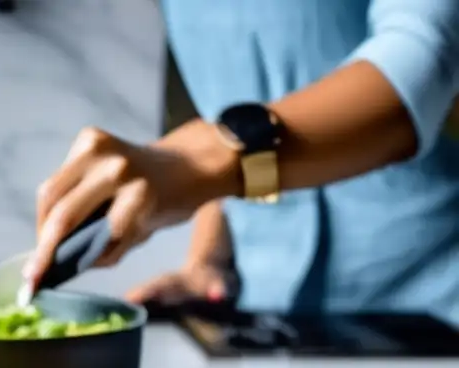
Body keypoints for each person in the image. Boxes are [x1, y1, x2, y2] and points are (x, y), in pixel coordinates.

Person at [24, 0, 459, 325]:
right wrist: (208, 260)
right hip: (269, 315)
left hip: (437, 300)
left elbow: (423, 65)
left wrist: (187, 162)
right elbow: (230, 105)